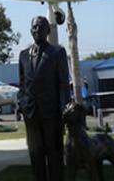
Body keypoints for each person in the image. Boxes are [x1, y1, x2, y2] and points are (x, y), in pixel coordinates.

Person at [18, 15, 71, 181]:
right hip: (31, 115)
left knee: (54, 153)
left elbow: (63, 84)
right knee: (35, 154)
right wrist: (23, 103)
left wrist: (64, 109)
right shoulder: (23, 55)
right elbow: (22, 84)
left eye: (41, 27)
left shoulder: (57, 52)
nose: (37, 30)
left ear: (48, 30)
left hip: (51, 114)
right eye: (34, 27)